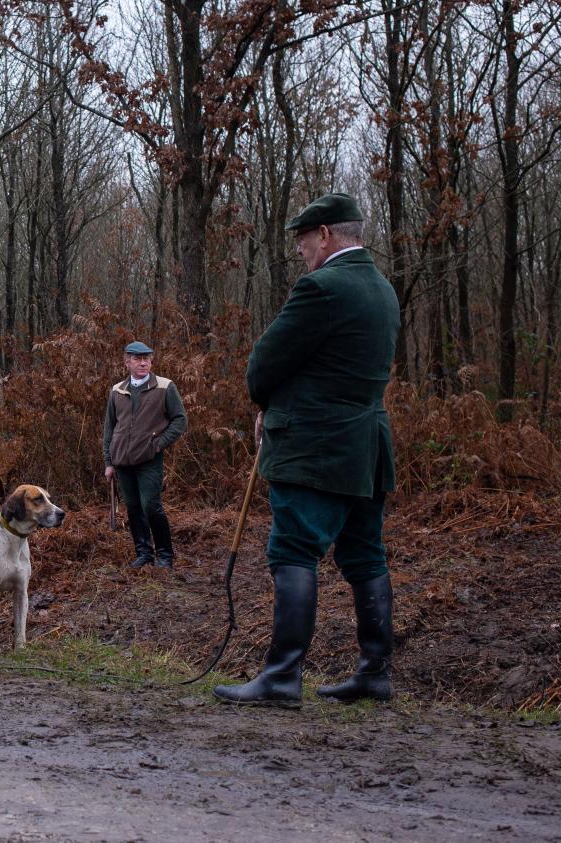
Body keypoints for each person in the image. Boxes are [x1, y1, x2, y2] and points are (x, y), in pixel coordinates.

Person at [214, 192, 399, 706]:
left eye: (302, 239)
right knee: (365, 555)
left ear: (325, 236)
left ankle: (281, 676)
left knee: (293, 549)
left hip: (313, 447)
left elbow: (263, 366)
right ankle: (374, 672)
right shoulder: (383, 289)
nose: (299, 250)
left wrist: (268, 403)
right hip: (367, 447)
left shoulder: (322, 288)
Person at [102, 341, 187, 568]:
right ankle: (144, 554)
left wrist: (158, 445)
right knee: (133, 508)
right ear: (127, 362)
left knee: (151, 505)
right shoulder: (117, 390)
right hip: (122, 461)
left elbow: (180, 420)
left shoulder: (165, 387)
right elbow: (110, 428)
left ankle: (165, 555)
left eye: (147, 358)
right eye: (137, 359)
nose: (143, 363)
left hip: (149, 459)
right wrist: (109, 462)